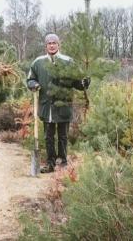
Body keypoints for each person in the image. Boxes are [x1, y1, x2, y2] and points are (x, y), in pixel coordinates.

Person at [27, 33, 90, 173]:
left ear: (58, 44)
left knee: (62, 136)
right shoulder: (38, 62)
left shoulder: (68, 61)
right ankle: (50, 163)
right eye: (49, 43)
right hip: (46, 106)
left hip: (63, 105)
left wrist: (84, 82)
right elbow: (30, 79)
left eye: (54, 42)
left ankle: (62, 162)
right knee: (48, 136)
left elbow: (77, 82)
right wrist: (34, 84)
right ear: (45, 46)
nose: (52, 45)